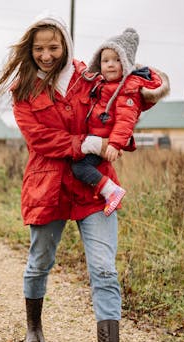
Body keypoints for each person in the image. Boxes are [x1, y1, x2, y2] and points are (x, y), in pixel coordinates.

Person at [0, 13, 167, 342]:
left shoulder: (91, 77)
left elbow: (124, 94)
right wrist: (86, 143)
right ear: (30, 50)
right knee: (40, 262)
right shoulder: (23, 91)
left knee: (104, 269)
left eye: (53, 47)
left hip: (93, 185)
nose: (46, 54)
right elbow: (40, 141)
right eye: (39, 48)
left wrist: (153, 86)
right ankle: (34, 326)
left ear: (66, 45)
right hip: (49, 186)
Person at [71, 27, 169, 216]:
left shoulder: (127, 90)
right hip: (96, 136)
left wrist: (115, 144)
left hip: (106, 140)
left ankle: (111, 191)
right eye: (105, 60)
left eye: (117, 60)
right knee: (78, 164)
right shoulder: (105, 85)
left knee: (80, 167)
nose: (110, 64)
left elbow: (126, 120)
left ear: (126, 63)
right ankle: (105, 190)